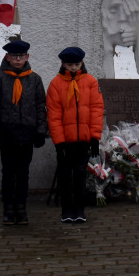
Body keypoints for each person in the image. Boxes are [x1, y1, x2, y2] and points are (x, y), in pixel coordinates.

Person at [0, 40, 47, 226]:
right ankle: (8, 208)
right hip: (7, 135)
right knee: (8, 172)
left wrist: (40, 131)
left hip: (27, 134)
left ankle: (21, 207)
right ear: (8, 57)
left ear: (27, 57)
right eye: (14, 56)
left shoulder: (35, 79)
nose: (18, 59)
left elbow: (40, 107)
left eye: (21, 56)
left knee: (23, 173)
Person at [47, 46, 104, 224]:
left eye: (76, 64)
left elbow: (96, 110)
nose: (73, 68)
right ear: (63, 64)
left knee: (80, 174)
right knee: (65, 176)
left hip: (84, 140)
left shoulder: (90, 82)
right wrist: (59, 142)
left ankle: (80, 209)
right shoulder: (56, 84)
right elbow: (54, 115)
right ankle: (67, 209)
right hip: (65, 141)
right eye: (70, 64)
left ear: (82, 63)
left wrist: (95, 137)